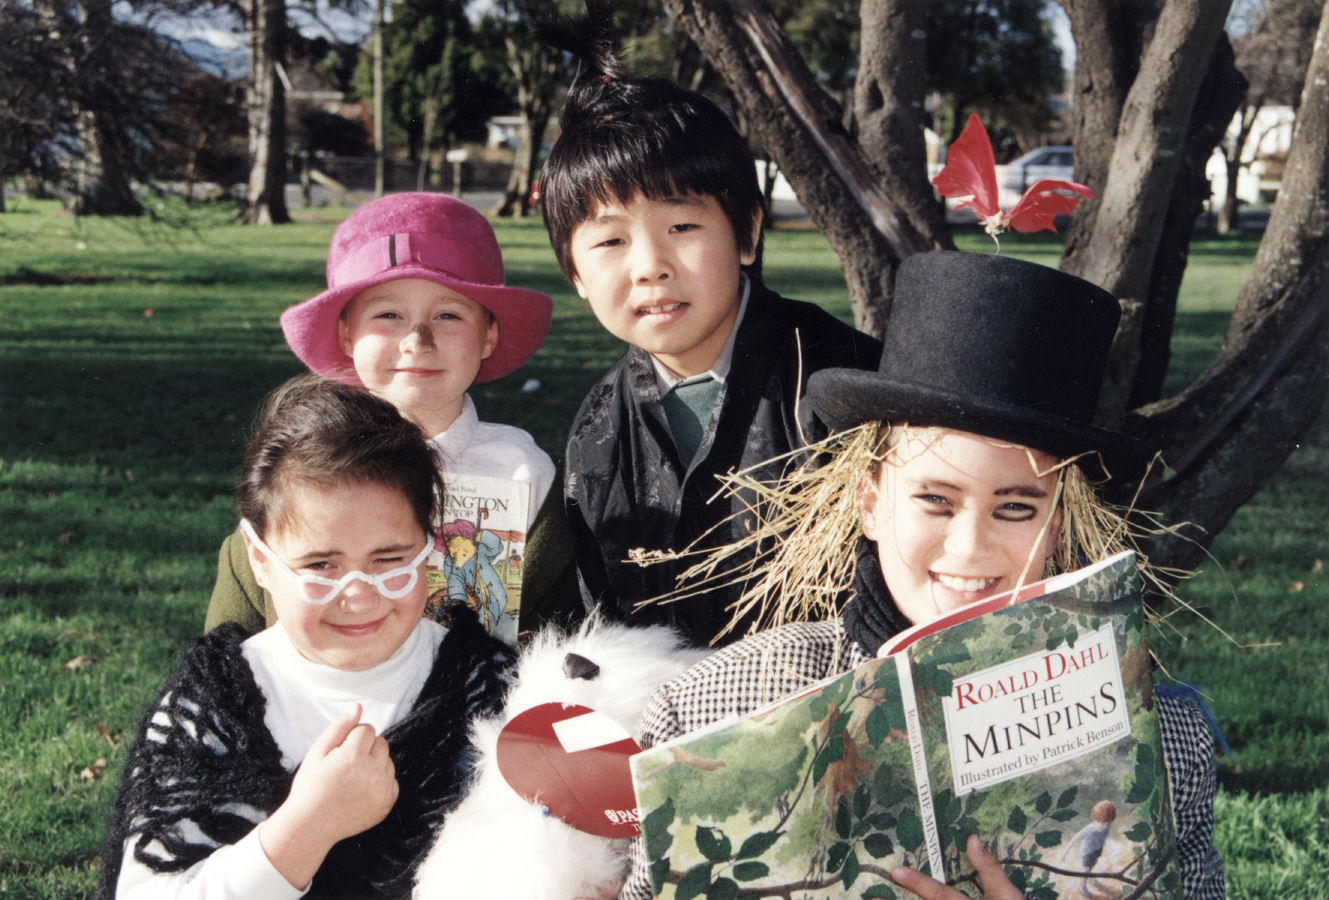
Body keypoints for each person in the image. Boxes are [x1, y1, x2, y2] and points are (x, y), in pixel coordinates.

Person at [620, 251, 1225, 899]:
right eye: (934, 500)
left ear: (1055, 525)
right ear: (869, 501)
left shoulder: (1160, 746)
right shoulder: (710, 714)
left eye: (1015, 506)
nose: (969, 548)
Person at [97, 376, 515, 899]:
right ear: (259, 559)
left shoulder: (489, 689)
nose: (360, 597)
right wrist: (307, 828)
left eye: (389, 561)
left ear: (429, 546)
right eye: (320, 565)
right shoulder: (214, 708)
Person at [538, 16, 882, 646]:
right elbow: (601, 627)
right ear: (576, 274)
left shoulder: (847, 382)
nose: (650, 267)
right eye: (611, 240)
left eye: (682, 228)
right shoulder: (596, 433)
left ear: (747, 232)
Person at [205, 192, 581, 642]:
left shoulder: (524, 474)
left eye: (447, 314)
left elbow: (556, 642)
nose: (418, 340)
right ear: (346, 332)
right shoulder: (299, 467)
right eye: (388, 314)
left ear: (489, 335)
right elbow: (228, 653)